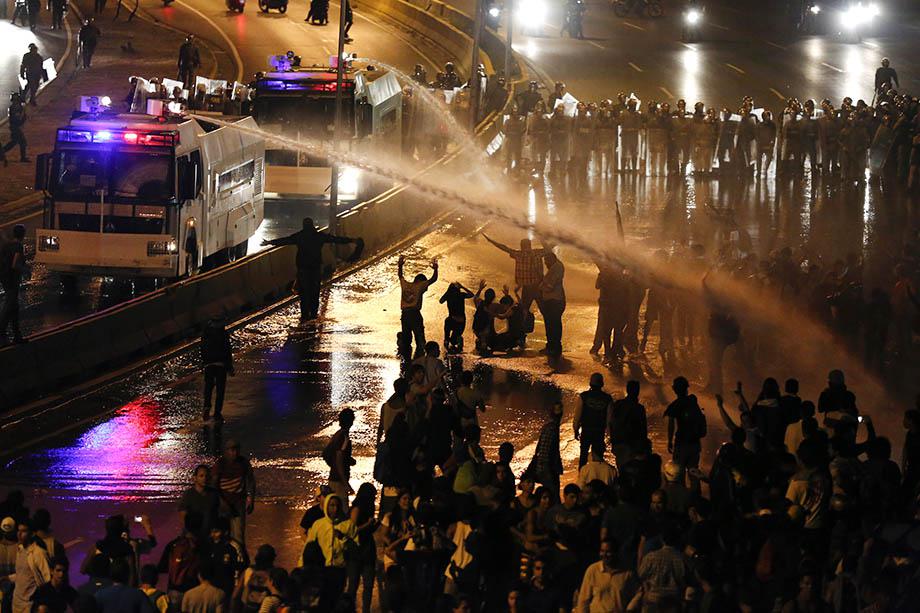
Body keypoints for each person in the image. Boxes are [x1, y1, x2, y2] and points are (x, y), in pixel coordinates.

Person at [262, 218, 362, 321]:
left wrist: (269, 242)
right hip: (315, 269)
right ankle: (313, 314)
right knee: (315, 292)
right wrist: (352, 240)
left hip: (303, 270)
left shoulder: (300, 236)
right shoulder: (319, 236)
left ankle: (304, 315)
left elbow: (285, 240)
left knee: (304, 294)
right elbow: (336, 239)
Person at [305, 494, 355, 610]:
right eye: (332, 505)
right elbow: (309, 547)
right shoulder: (318, 525)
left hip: (339, 569)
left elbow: (354, 547)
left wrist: (343, 538)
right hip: (322, 569)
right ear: (326, 506)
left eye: (337, 506)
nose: (335, 509)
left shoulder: (347, 525)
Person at [481, 235, 547, 316]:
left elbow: (504, 248)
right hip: (538, 286)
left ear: (521, 246)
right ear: (530, 245)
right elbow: (548, 249)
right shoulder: (537, 253)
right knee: (544, 310)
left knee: (523, 310)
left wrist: (491, 241)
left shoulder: (518, 254)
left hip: (527, 288)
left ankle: (522, 326)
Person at [575, 539, 640, 612]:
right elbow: (583, 600)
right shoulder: (593, 570)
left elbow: (638, 592)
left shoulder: (627, 572)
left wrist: (630, 608)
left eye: (608, 552)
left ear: (616, 552)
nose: (604, 555)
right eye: (602, 551)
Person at [212, 440, 256, 546]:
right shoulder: (220, 464)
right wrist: (222, 503)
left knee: (238, 536)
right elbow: (214, 486)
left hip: (238, 503)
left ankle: (238, 559)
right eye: (231, 450)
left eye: (236, 450)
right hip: (223, 504)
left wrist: (251, 499)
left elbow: (250, 480)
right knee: (221, 535)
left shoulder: (243, 463)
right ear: (226, 451)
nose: (234, 453)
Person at [396, 254, 438, 359]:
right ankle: (420, 360)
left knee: (407, 338)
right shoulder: (421, 285)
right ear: (422, 281)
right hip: (415, 315)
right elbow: (433, 279)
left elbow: (400, 276)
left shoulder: (405, 284)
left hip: (404, 315)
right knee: (420, 338)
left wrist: (400, 265)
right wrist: (436, 269)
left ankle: (405, 357)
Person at [524, 402, 564, 501]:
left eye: (561, 409)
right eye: (558, 410)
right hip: (547, 468)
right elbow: (545, 451)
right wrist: (550, 468)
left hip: (545, 467)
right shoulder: (552, 428)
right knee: (553, 496)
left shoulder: (549, 427)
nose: (560, 413)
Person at [664, 376, 706, 469]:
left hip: (681, 443)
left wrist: (670, 441)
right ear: (687, 387)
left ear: (674, 390)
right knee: (694, 473)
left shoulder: (674, 406)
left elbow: (671, 425)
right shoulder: (693, 400)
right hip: (695, 443)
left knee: (678, 474)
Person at [12, 520, 51, 613]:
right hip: (16, 602)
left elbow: (48, 578)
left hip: (29, 604)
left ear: (32, 534)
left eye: (24, 531)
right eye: (18, 530)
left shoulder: (38, 553)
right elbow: (22, 574)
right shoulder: (19, 550)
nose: (19, 534)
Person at [574, 373, 613, 468]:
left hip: (586, 431)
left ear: (590, 384)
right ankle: (597, 477)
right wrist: (609, 435)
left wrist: (576, 430)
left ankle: (582, 477)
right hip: (599, 433)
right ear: (602, 384)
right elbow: (609, 420)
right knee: (598, 458)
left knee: (583, 457)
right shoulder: (608, 399)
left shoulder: (583, 396)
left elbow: (577, 416)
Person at [200, 318, 234, 422]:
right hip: (221, 365)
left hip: (208, 365)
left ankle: (206, 407)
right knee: (220, 390)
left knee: (208, 388)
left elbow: (202, 349)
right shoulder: (223, 334)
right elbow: (227, 351)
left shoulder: (206, 333)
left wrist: (203, 363)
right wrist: (230, 367)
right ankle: (217, 413)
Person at [609, 380, 647, 466]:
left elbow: (612, 423)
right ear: (637, 391)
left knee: (622, 470)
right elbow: (643, 430)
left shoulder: (618, 404)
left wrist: (613, 441)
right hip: (633, 445)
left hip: (619, 443)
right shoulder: (639, 408)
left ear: (627, 390)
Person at [0, 224, 27, 345]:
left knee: (14, 307)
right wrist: (26, 270)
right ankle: (2, 332)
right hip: (12, 280)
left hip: (5, 278)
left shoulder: (7, 245)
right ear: (23, 235)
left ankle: (17, 335)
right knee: (9, 306)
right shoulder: (18, 246)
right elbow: (15, 264)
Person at [178, 465, 219, 540]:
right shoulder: (188, 494)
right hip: (192, 534)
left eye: (206, 476)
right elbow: (182, 515)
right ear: (195, 478)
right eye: (201, 476)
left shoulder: (214, 494)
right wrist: (188, 532)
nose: (204, 478)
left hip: (210, 534)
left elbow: (220, 512)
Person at [324, 408, 356, 503]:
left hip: (334, 479)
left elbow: (327, 455)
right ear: (351, 421)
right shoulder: (344, 437)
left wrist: (348, 460)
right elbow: (339, 457)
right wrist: (345, 483)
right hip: (339, 482)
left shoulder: (337, 435)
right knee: (342, 509)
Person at [539, 251, 565, 357]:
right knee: (552, 324)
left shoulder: (556, 269)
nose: (545, 264)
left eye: (546, 261)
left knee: (552, 325)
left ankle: (554, 347)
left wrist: (541, 286)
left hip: (554, 301)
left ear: (551, 259)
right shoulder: (556, 267)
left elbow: (549, 286)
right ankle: (551, 346)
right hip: (553, 300)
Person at [439, 282, 474, 354]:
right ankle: (456, 340)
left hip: (451, 321)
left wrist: (448, 292)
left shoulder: (449, 295)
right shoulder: (461, 295)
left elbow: (441, 301)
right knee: (454, 340)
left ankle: (447, 339)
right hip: (461, 322)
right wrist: (462, 287)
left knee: (447, 322)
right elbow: (471, 294)